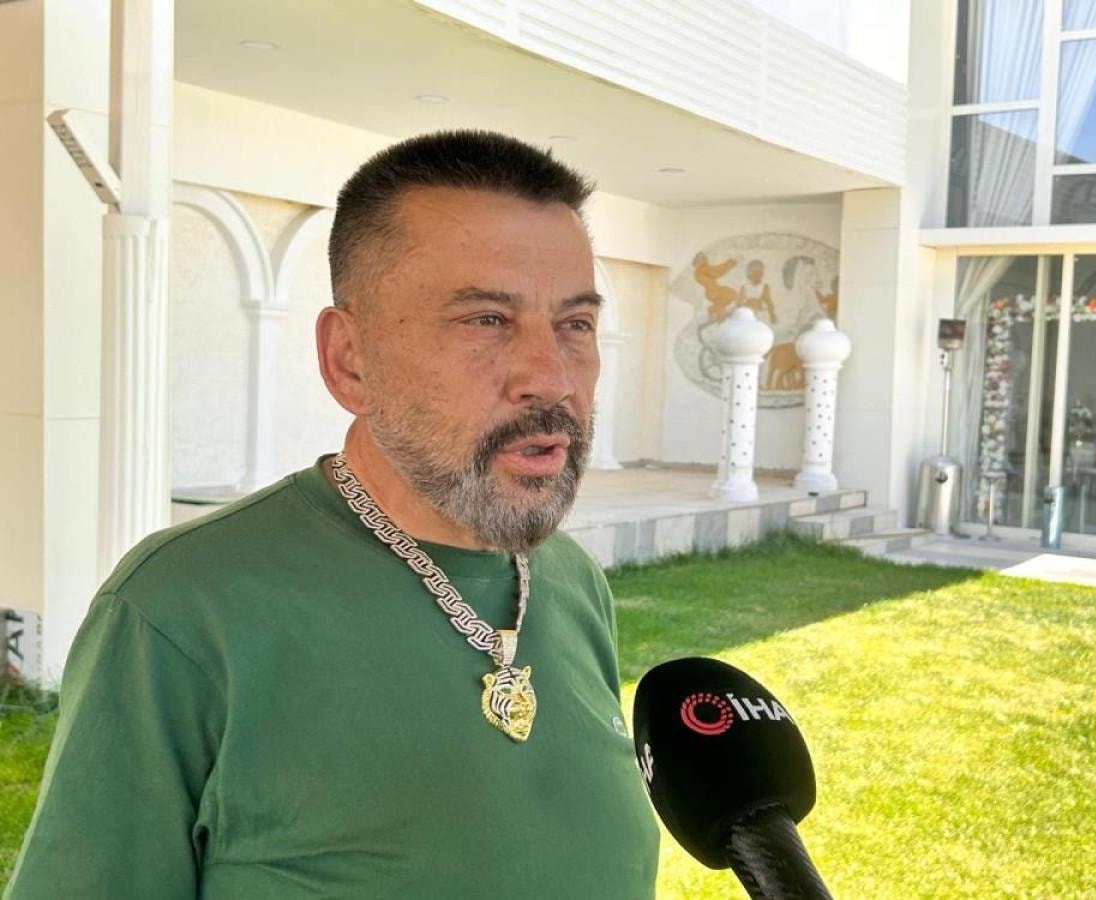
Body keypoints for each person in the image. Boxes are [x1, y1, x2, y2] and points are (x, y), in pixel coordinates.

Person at [6, 131, 659, 898]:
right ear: (350, 360)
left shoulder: (572, 583)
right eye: (486, 319)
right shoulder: (181, 611)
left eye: (575, 324)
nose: (551, 378)